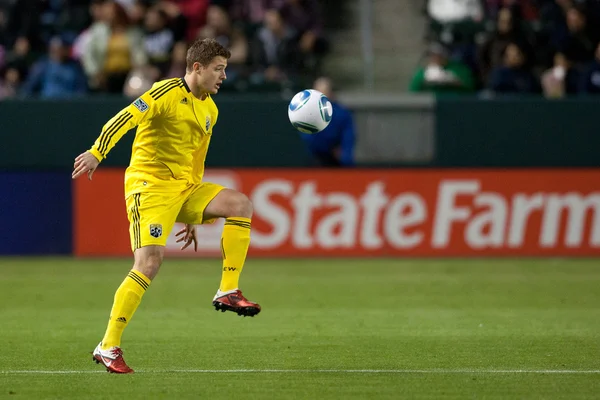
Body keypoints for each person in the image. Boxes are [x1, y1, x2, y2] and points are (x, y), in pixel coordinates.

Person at [72, 38, 261, 374]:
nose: (224, 77)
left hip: (184, 188)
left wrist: (192, 214)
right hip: (149, 187)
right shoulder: (165, 92)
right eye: (218, 69)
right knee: (148, 263)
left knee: (240, 204)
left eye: (225, 70)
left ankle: (227, 290)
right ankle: (108, 345)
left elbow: (195, 160)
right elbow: (125, 118)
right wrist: (96, 152)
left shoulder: (210, 110)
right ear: (197, 68)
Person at [299, 77, 355, 167]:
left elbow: (348, 137)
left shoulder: (342, 113)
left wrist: (344, 156)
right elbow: (309, 138)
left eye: (324, 92)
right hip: (316, 158)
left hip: (337, 160)